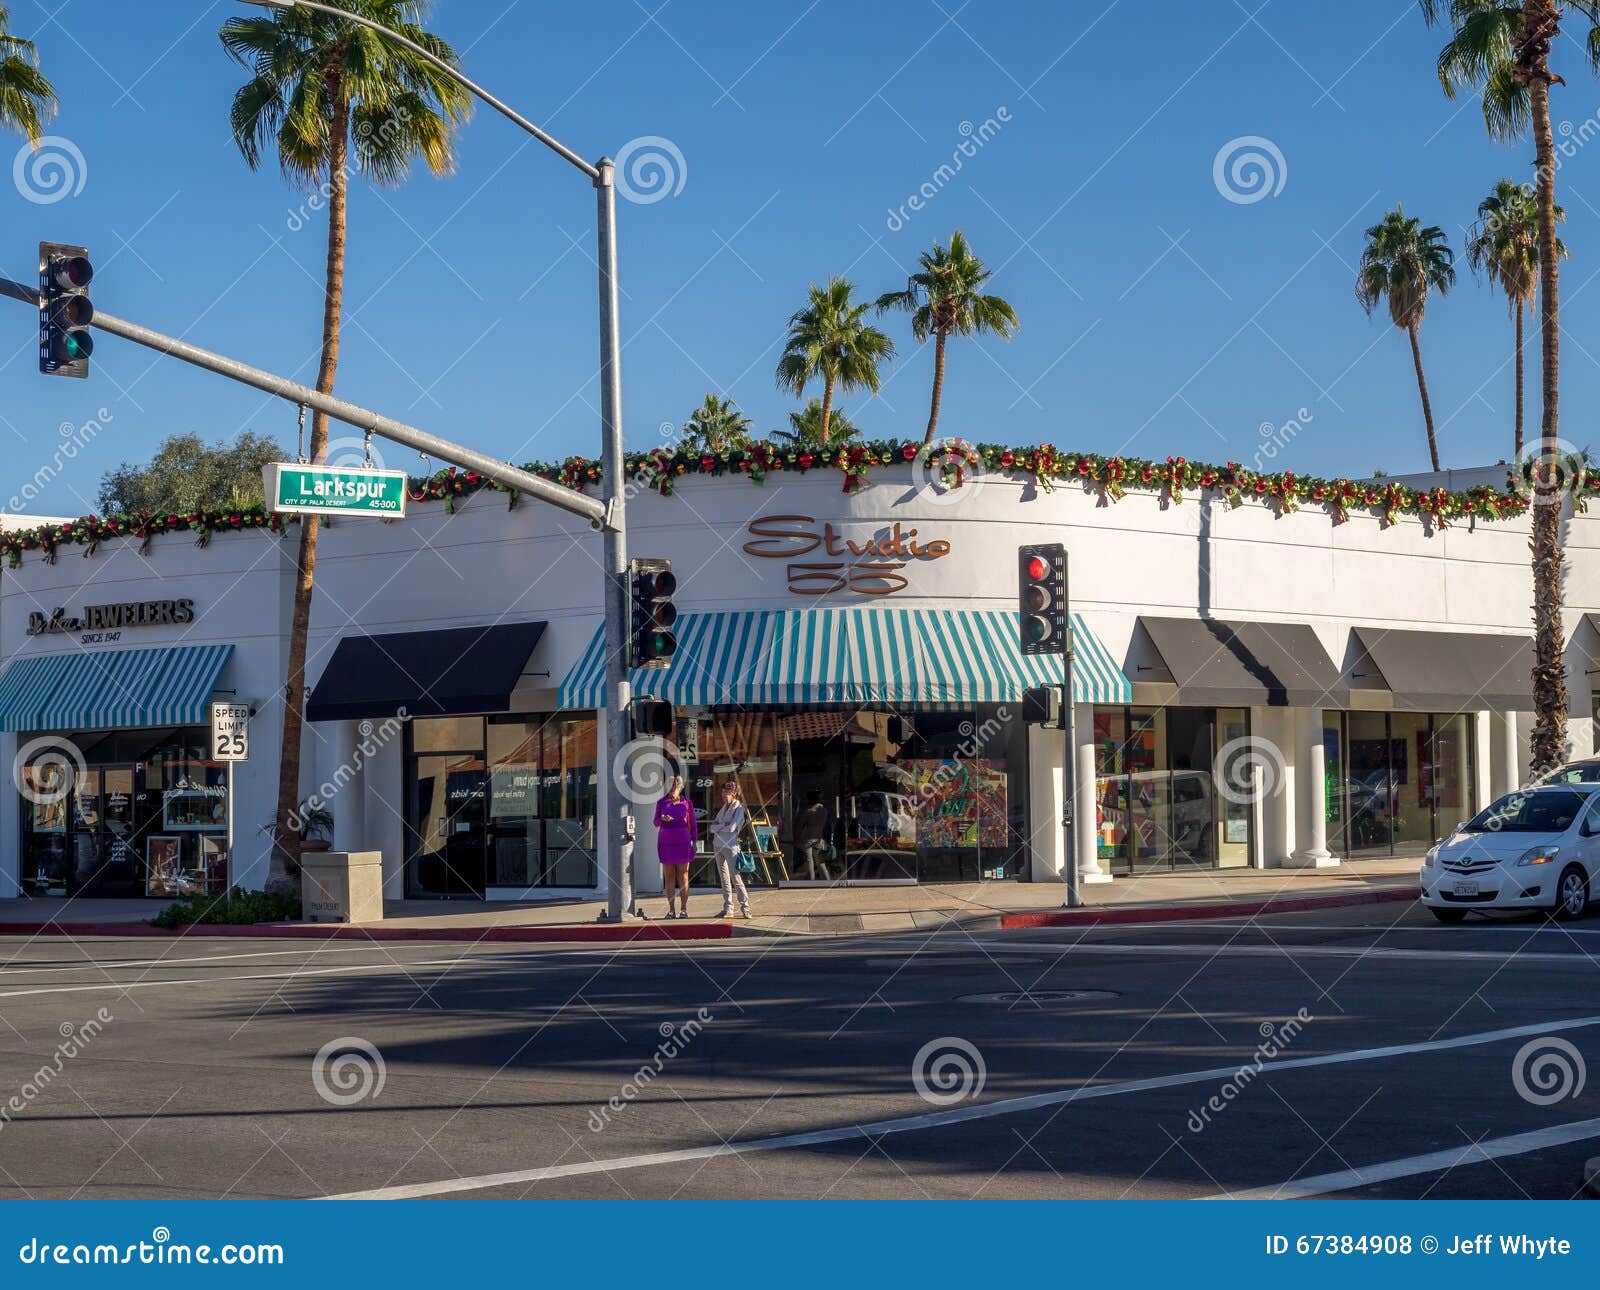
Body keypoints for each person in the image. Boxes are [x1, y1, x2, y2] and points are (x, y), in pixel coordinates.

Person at [653, 775, 697, 919]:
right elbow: (655, 822)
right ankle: (671, 910)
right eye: (670, 787)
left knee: (683, 875)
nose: (672, 790)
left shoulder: (686, 802)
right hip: (666, 841)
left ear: (680, 788)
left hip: (683, 841)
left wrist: (695, 842)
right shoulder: (661, 802)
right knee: (669, 876)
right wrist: (662, 819)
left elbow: (693, 824)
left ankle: (683, 909)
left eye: (675, 787)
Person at [710, 780, 751, 919]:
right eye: (723, 792)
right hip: (718, 845)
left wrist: (719, 826)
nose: (723, 795)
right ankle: (728, 908)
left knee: (736, 877)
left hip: (731, 846)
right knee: (724, 878)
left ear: (734, 794)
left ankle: (745, 907)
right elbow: (711, 828)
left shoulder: (739, 809)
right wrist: (722, 825)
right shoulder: (723, 809)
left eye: (726, 792)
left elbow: (732, 827)